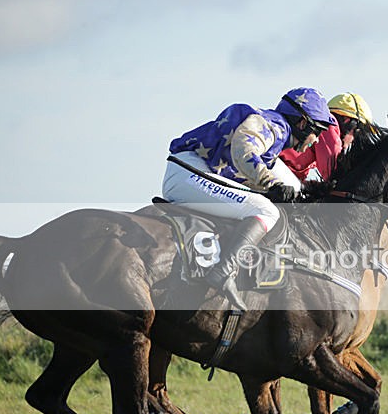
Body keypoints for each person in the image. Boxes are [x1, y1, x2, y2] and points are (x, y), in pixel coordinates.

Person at [161, 87, 336, 309]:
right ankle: (224, 272)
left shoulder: (276, 133)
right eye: (317, 132)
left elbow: (289, 185)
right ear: (303, 124)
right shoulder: (275, 126)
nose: (316, 141)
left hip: (191, 171)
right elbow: (243, 149)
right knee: (266, 211)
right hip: (186, 174)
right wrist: (270, 184)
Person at [279, 92, 375, 182]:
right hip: (275, 166)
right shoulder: (330, 124)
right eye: (358, 133)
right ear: (347, 121)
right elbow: (333, 173)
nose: (354, 141)